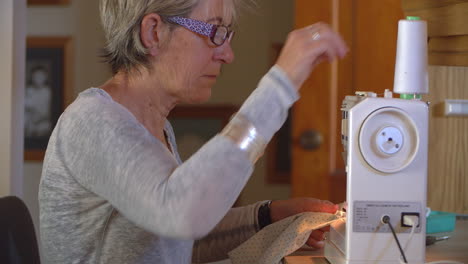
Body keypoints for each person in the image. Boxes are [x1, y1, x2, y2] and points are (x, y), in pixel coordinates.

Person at [38, 0, 348, 263]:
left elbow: (177, 239)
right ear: (153, 32)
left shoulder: (157, 127)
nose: (227, 54)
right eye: (214, 32)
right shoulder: (92, 121)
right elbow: (181, 215)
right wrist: (280, 86)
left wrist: (269, 217)